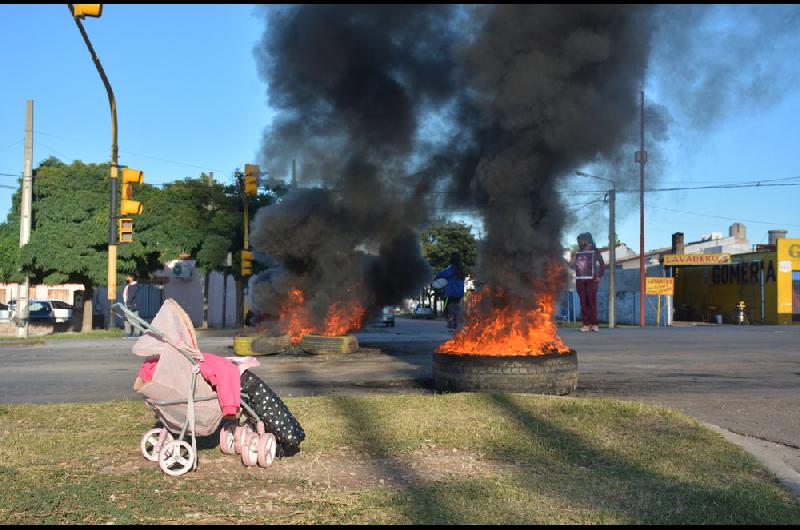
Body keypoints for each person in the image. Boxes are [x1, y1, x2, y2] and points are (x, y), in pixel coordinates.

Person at [573, 232, 605, 332]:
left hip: (592, 280)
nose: (580, 242)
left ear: (588, 240)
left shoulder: (595, 252)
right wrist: (570, 262)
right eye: (579, 241)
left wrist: (599, 276)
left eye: (582, 240)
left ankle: (595, 324)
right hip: (580, 280)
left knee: (591, 302)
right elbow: (576, 267)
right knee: (583, 303)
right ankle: (585, 324)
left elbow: (602, 264)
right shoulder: (578, 253)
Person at [435, 252, 466, 331]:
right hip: (459, 294)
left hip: (450, 293)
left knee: (446, 309)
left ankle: (450, 323)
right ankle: (455, 323)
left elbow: (442, 274)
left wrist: (436, 276)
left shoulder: (451, 268)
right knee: (455, 308)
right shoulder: (461, 269)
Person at [123, 273, 142, 338]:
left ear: (131, 278)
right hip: (128, 304)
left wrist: (128, 304)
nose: (126, 278)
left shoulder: (134, 286)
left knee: (134, 319)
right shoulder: (129, 285)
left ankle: (137, 333)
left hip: (132, 305)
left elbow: (131, 296)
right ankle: (128, 333)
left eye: (127, 277)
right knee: (127, 319)